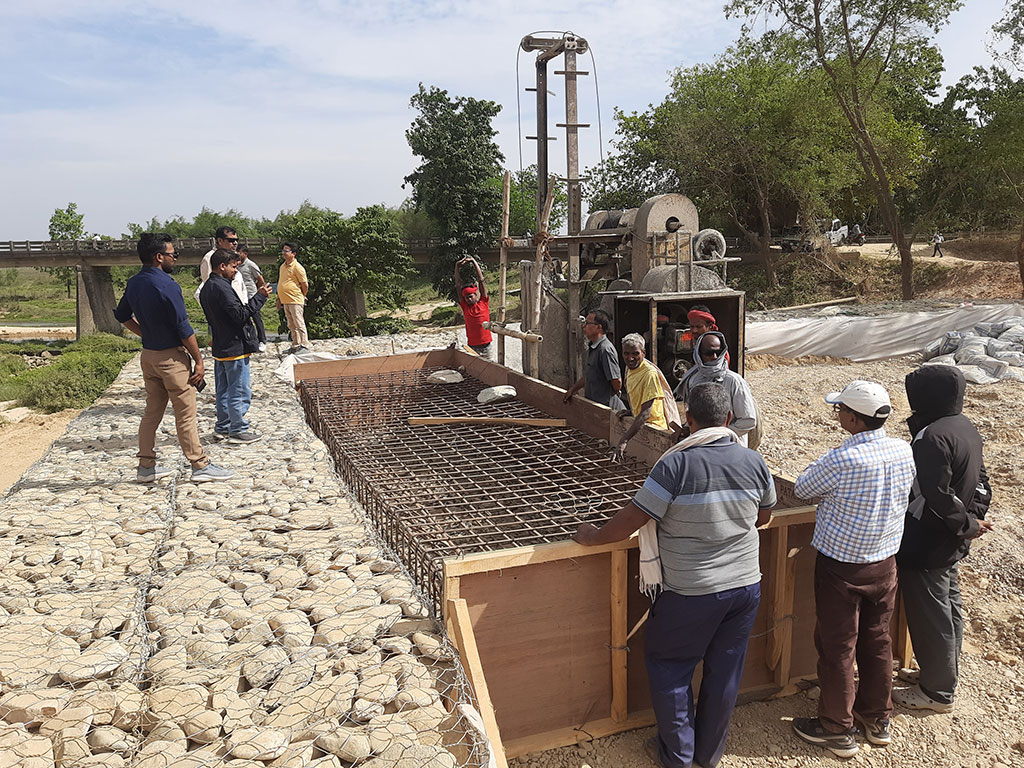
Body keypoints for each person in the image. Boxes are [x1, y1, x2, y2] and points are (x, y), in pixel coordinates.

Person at [573, 382, 776, 768]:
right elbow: (764, 517)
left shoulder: (676, 463)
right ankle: (708, 755)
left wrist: (594, 536)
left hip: (692, 590)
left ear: (688, 419)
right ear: (729, 419)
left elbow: (636, 516)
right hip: (746, 586)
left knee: (671, 667)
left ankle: (679, 758)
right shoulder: (754, 461)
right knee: (725, 671)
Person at [791, 380, 916, 757]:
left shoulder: (843, 459)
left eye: (840, 409)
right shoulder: (903, 451)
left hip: (841, 569)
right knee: (878, 640)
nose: (837, 415)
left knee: (837, 646)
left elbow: (802, 488)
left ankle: (836, 727)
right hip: (884, 564)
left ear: (855, 419)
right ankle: (877, 717)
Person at [894, 365, 993, 714]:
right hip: (950, 541)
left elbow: (935, 497)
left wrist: (966, 524)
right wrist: (974, 519)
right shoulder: (964, 426)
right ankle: (940, 675)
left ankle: (936, 692)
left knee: (931, 615)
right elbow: (982, 481)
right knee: (949, 609)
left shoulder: (931, 436)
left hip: (926, 542)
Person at [113, 233, 233, 483]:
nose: (175, 259)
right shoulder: (167, 285)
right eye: (173, 254)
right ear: (159, 257)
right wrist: (198, 360)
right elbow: (183, 327)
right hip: (172, 360)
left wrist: (145, 333)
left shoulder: (134, 283)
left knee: (152, 413)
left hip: (149, 356)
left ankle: (146, 467)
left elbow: (122, 315)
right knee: (186, 414)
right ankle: (200, 465)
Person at [200, 250, 270, 443]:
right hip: (234, 347)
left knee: (223, 390)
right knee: (239, 389)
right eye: (233, 267)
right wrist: (260, 296)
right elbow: (239, 315)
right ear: (222, 266)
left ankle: (222, 426)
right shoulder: (222, 288)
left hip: (221, 347)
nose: (235, 271)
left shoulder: (207, 287)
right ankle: (238, 428)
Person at [674, 332, 756, 445]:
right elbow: (694, 413)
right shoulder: (693, 379)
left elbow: (748, 420)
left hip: (729, 445)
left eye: (718, 352)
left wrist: (718, 435)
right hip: (700, 445)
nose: (714, 357)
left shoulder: (734, 381)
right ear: (699, 353)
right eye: (709, 353)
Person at [610, 333, 681, 461]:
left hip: (656, 430)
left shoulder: (649, 374)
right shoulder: (630, 369)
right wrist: (632, 411)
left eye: (635, 354)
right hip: (642, 429)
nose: (630, 358)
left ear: (643, 353)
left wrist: (623, 440)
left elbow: (646, 413)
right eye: (626, 354)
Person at [563, 309, 624, 410]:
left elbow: (617, 382)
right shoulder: (594, 347)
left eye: (587, 323)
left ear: (599, 327)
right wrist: (573, 390)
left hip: (608, 409)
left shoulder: (605, 349)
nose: (584, 326)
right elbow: (589, 376)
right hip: (595, 407)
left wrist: (606, 395)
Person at [454, 256, 493, 360]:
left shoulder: (483, 302)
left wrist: (474, 261)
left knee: (490, 370)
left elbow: (481, 280)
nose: (468, 299)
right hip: (472, 347)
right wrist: (457, 267)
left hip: (487, 347)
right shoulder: (465, 307)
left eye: (470, 297)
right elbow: (458, 285)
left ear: (476, 295)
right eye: (466, 298)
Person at [196, 226, 246, 304]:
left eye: (236, 240)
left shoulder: (234, 257)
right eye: (231, 240)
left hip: (239, 309)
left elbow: (241, 287)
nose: (235, 243)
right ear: (220, 240)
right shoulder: (209, 258)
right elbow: (210, 287)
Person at [276, 242, 309, 353]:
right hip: (286, 300)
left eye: (286, 251)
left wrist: (302, 295)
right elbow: (282, 282)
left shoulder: (298, 267)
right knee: (291, 324)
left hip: (295, 299)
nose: (283, 253)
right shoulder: (282, 266)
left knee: (298, 322)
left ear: (293, 253)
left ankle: (304, 345)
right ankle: (295, 345)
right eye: (283, 250)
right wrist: (279, 299)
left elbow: (304, 284)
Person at [236, 245, 267, 352]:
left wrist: (258, 292)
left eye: (239, 252)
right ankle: (248, 340)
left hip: (251, 295)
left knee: (257, 318)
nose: (237, 254)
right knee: (243, 319)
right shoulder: (235, 265)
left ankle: (262, 340)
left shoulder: (251, 265)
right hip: (240, 296)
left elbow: (260, 280)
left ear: (245, 253)